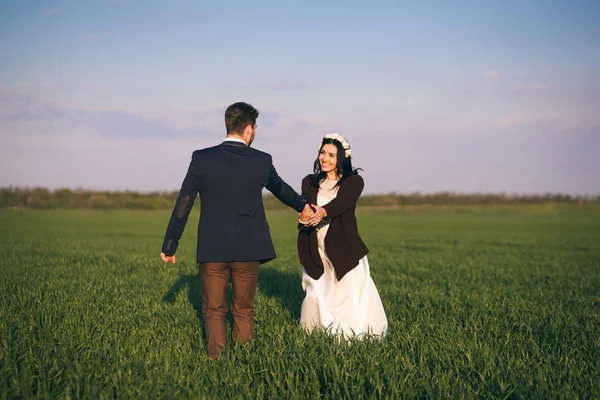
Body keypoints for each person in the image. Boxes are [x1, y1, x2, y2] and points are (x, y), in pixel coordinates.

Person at [160, 102, 317, 359]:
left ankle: (218, 362)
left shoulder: (202, 158)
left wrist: (170, 245)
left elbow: (183, 203)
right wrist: (304, 206)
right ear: (248, 129)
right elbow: (282, 190)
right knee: (244, 309)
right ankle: (243, 363)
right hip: (248, 248)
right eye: (254, 128)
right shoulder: (261, 160)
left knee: (213, 310)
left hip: (212, 249)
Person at [297, 133, 388, 339]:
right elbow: (305, 208)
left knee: (345, 295)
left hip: (342, 245)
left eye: (332, 155)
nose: (325, 158)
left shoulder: (353, 182)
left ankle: (347, 335)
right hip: (315, 245)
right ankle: (315, 334)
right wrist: (304, 218)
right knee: (315, 290)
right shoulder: (309, 182)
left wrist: (323, 211)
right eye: (322, 153)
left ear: (341, 159)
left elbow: (343, 203)